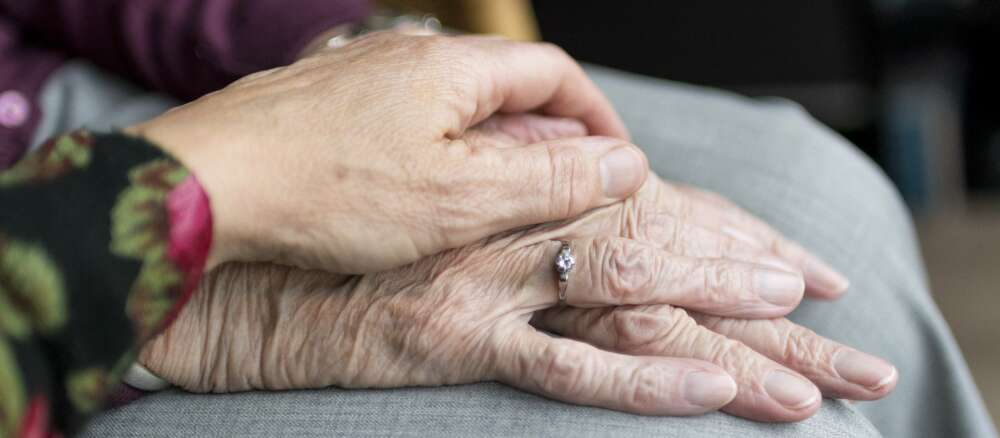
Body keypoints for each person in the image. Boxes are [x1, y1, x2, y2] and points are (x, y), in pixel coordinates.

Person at [0, 2, 994, 438]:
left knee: (825, 200)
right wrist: (202, 302)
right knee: (750, 429)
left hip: (78, 96)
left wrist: (341, 62)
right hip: (40, 308)